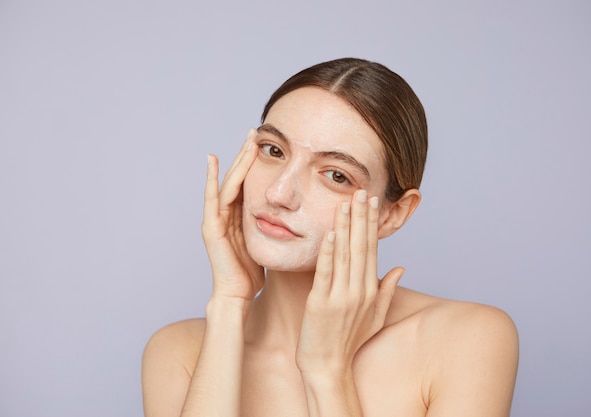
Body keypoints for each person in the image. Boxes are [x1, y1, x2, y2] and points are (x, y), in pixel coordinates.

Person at [141, 58, 519, 417]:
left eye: (336, 175)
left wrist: (327, 373)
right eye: (273, 151)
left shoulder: (466, 340)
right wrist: (228, 304)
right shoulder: (180, 352)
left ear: (393, 213)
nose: (279, 194)